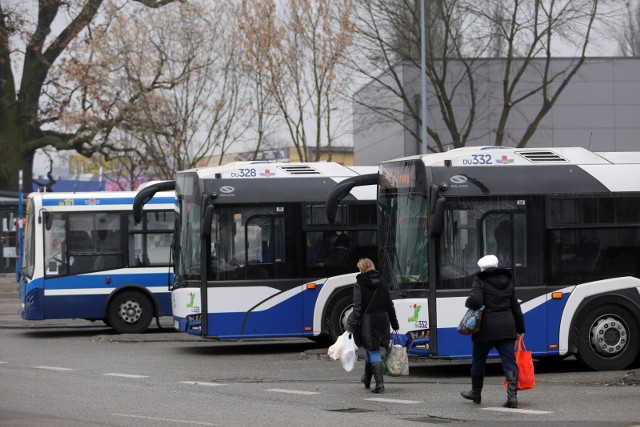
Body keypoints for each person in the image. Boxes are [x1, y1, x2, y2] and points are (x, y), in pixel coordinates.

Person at [460, 254, 525, 408]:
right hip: (507, 327)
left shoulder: (480, 280)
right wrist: (520, 329)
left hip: (485, 329)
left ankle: (476, 392)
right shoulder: (508, 280)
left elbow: (475, 301)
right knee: (509, 361)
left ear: (482, 268)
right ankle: (512, 397)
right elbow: (515, 307)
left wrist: (467, 301)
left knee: (479, 361)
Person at [346, 258, 399, 394]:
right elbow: (389, 305)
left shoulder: (359, 285)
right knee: (372, 349)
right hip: (383, 319)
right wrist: (394, 323)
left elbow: (357, 309)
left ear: (361, 269)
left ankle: (380, 384)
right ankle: (367, 378)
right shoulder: (382, 282)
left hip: (369, 322)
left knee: (373, 350)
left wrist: (350, 326)